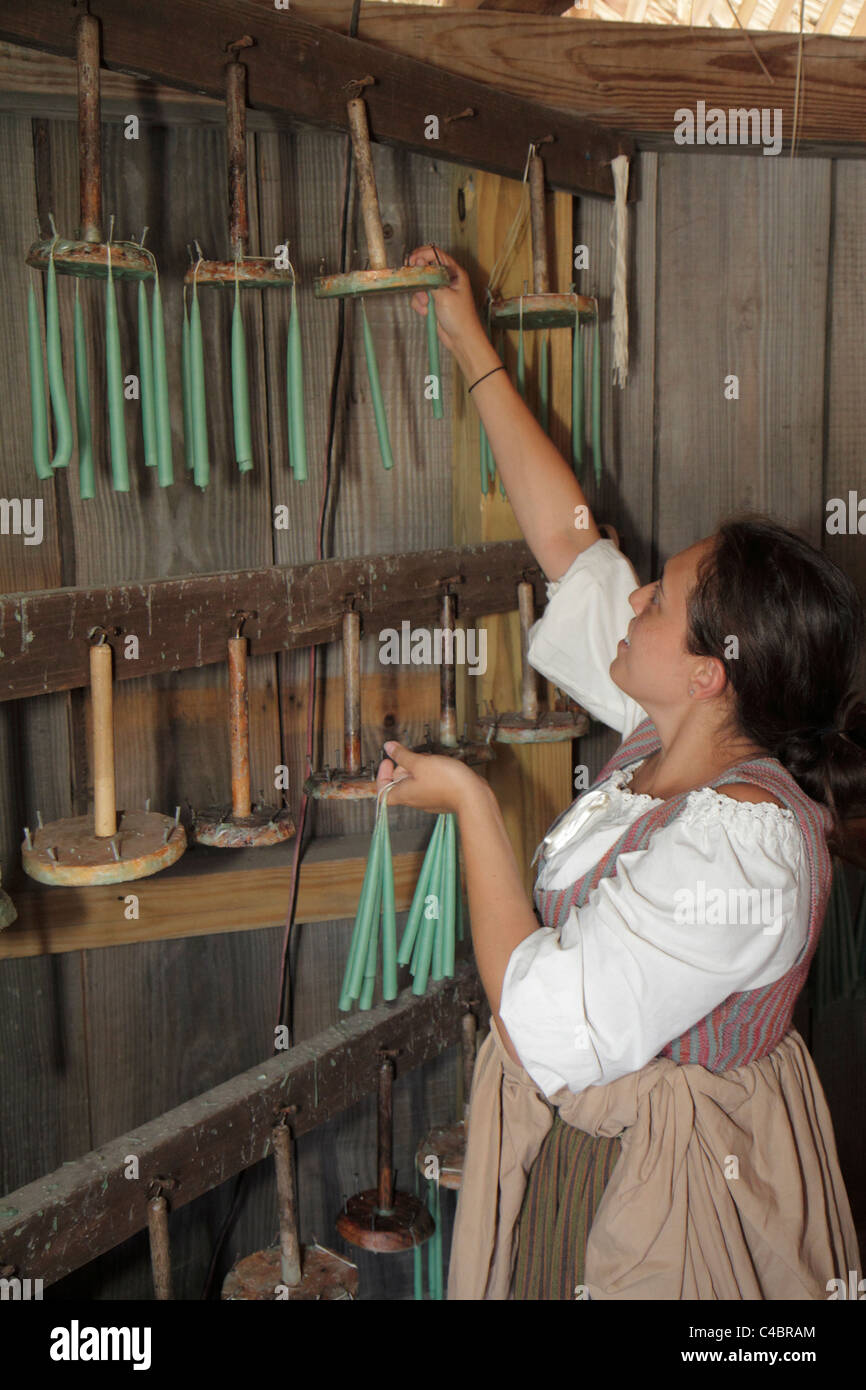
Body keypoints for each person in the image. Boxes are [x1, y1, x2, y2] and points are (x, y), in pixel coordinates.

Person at [376, 245, 865, 1300]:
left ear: (704, 673)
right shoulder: (673, 734)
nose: (630, 596)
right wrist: (470, 348)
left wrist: (467, 801)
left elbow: (544, 1023)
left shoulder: (743, 851)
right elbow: (571, 548)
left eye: (657, 599)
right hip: (596, 1160)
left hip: (681, 1204)